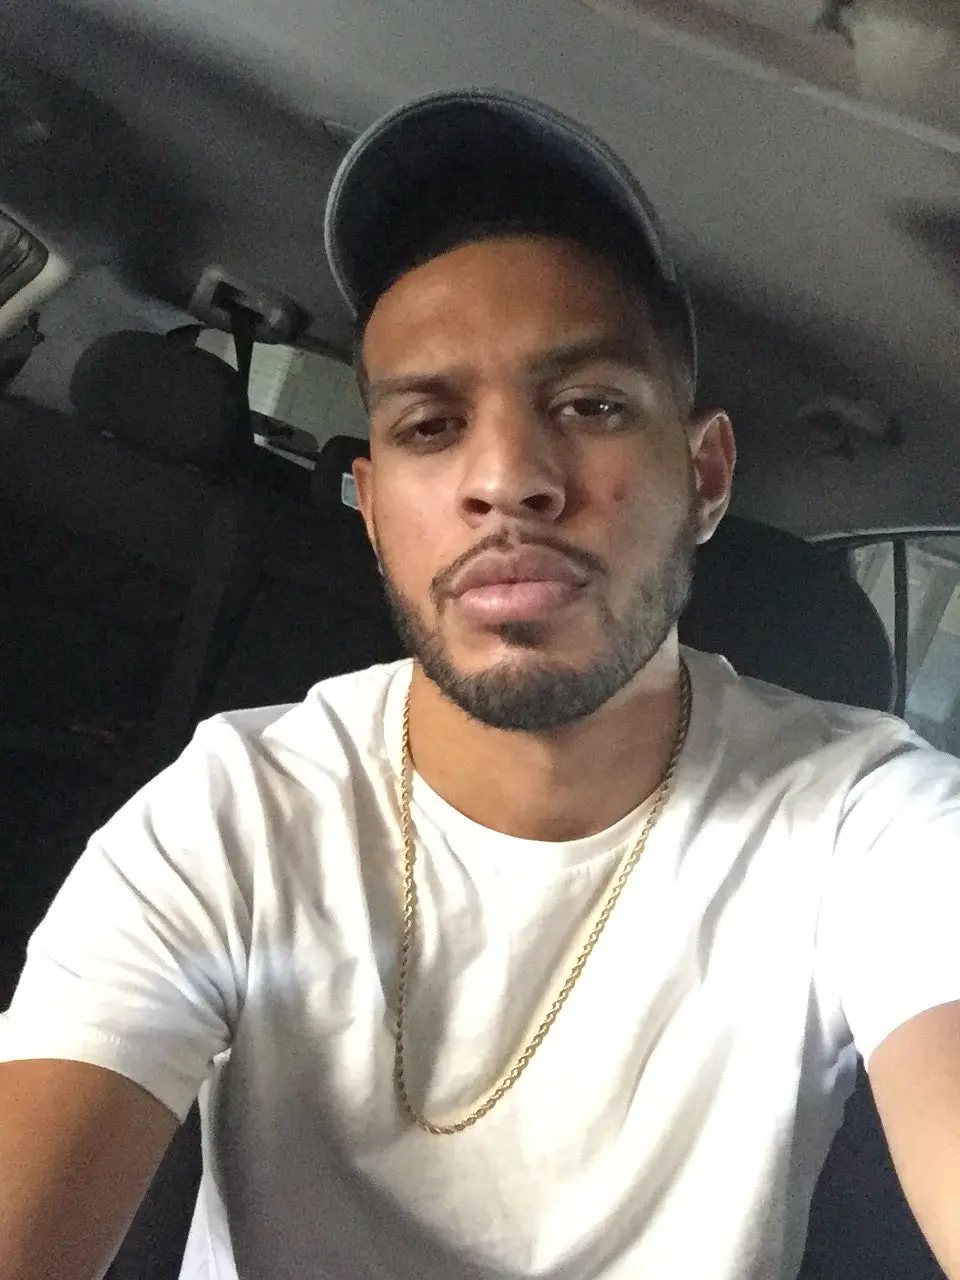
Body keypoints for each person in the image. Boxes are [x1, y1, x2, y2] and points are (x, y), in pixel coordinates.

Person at [1, 88, 959, 1280]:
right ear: (371, 505)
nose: (507, 477)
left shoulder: (869, 820)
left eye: (590, 405)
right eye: (430, 424)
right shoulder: (234, 811)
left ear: (707, 476)